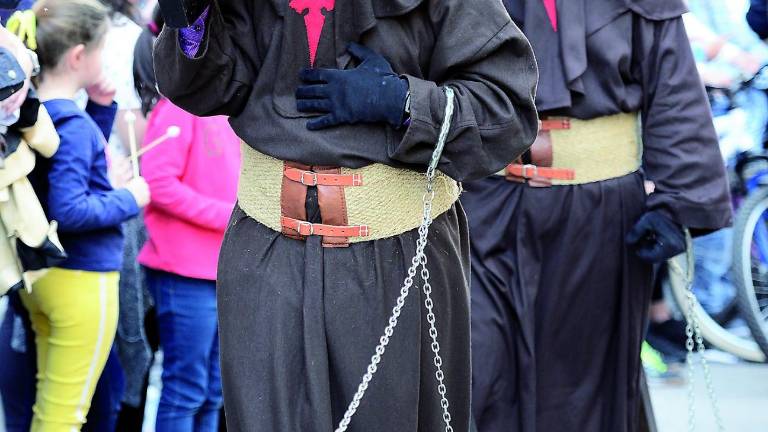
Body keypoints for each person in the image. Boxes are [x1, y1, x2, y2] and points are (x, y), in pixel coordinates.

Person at [152, 0, 539, 430]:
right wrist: (191, 18)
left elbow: (506, 112)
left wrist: (401, 100)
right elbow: (207, 88)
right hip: (264, 258)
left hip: (397, 258)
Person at [465, 1, 731, 431]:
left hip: (600, 215)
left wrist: (677, 201)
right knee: (476, 371)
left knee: (583, 391)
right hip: (480, 206)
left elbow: (672, 81)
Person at [20, 0, 150, 430]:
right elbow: (71, 207)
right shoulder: (72, 125)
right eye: (102, 50)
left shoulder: (36, 113)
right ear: (79, 56)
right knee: (65, 415)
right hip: (83, 280)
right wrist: (131, 197)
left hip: (45, 277)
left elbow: (64, 168)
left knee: (49, 402)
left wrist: (100, 109)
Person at [138, 61, 241, 432]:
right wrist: (227, 216)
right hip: (182, 273)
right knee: (186, 391)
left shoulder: (231, 112)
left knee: (215, 391)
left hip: (222, 271)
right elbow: (158, 183)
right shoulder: (176, 110)